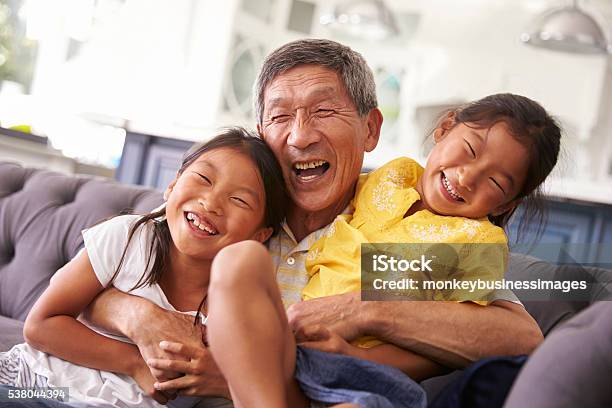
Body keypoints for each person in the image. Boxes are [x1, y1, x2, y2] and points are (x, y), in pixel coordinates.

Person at [84, 39, 544, 402]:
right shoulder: (227, 208)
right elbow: (111, 270)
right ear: (262, 134)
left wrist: (365, 309)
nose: (300, 135)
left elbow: (519, 337)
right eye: (280, 116)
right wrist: (140, 317)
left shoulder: (397, 219)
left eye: (324, 110)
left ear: (370, 129)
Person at [198, 93, 561, 407]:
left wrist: (358, 352)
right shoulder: (390, 177)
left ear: (504, 205)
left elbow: (455, 348)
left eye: (495, 182)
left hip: (361, 371)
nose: (467, 177)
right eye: (469, 151)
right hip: (293, 349)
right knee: (238, 260)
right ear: (445, 128)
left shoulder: (475, 243)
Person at [0, 127, 288, 407]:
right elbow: (41, 325)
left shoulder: (239, 310)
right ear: (173, 185)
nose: (210, 203)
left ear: (259, 235)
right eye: (203, 178)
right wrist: (134, 363)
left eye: (238, 199)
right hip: (33, 383)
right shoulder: (128, 237)